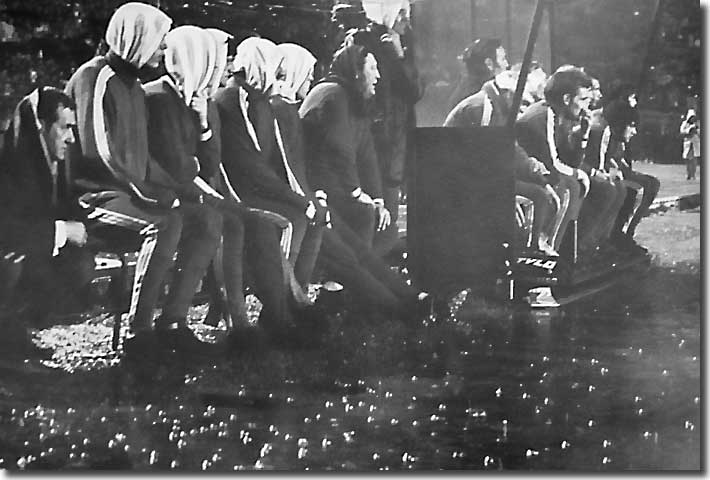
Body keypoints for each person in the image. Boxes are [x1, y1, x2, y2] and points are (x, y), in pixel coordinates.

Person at [65, 2, 205, 357]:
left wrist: (177, 189)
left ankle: (173, 323)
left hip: (126, 192)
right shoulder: (94, 77)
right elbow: (99, 152)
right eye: (159, 40)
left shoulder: (134, 87)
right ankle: (138, 334)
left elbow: (143, 159)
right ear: (138, 38)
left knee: (204, 220)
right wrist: (151, 194)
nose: (162, 49)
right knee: (162, 223)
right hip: (92, 196)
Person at [300, 43, 426, 318]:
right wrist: (358, 194)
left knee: (385, 228)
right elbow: (338, 150)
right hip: (322, 188)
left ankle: (365, 293)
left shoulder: (353, 100)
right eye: (372, 68)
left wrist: (378, 198)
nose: (378, 76)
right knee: (363, 220)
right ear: (356, 72)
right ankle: (366, 298)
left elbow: (367, 157)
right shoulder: (334, 96)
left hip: (338, 187)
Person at [0, 87, 93, 333]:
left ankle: (24, 333)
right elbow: (8, 230)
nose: (71, 138)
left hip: (33, 250)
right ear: (41, 126)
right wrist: (62, 231)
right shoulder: (8, 163)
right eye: (64, 127)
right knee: (12, 264)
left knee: (80, 263)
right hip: (10, 255)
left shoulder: (53, 164)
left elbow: (68, 205)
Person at [444, 69, 560, 256]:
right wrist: (501, 191)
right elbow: (475, 158)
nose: (520, 105)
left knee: (540, 194)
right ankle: (500, 255)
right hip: (459, 177)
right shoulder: (482, 108)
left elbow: (509, 146)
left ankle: (531, 250)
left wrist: (531, 165)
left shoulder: (501, 109)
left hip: (483, 174)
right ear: (506, 93)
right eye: (518, 99)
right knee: (507, 208)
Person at [345, 6, 421, 258]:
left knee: (388, 220)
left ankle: (367, 270)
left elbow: (415, 92)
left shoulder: (401, 46)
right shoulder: (361, 42)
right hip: (373, 144)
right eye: (400, 14)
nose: (405, 21)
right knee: (379, 221)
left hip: (394, 146)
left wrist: (400, 56)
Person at [515, 66, 592, 253]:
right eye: (582, 100)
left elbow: (569, 161)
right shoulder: (544, 114)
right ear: (566, 99)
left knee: (573, 183)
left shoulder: (561, 116)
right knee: (569, 186)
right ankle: (547, 248)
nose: (586, 107)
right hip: (523, 172)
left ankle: (564, 247)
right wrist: (579, 174)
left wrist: (583, 135)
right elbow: (553, 163)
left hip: (537, 172)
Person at [604, 89, 660, 250]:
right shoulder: (607, 130)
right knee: (637, 189)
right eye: (632, 127)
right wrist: (619, 170)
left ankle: (627, 232)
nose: (634, 132)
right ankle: (618, 233)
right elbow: (603, 159)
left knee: (651, 183)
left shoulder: (618, 133)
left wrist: (626, 170)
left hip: (614, 171)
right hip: (603, 174)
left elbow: (618, 158)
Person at [447, 38, 509, 112]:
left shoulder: (461, 93)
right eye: (503, 59)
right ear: (489, 64)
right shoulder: (483, 100)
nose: (507, 64)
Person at [680, 108, 700, 180]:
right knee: (687, 159)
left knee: (694, 159)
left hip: (695, 143)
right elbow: (682, 131)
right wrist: (689, 130)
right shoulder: (685, 123)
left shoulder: (697, 123)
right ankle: (688, 174)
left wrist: (696, 130)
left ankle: (693, 174)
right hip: (687, 143)